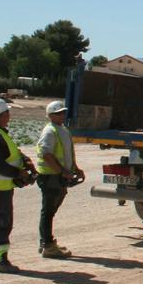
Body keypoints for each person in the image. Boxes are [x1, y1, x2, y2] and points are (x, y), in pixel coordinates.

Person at [0, 97, 35, 273]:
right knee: (1, 222)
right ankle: (0, 259)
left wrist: (24, 160)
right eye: (6, 112)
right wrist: (18, 173)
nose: (9, 115)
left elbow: (11, 152)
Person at [35, 100, 83, 258]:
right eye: (59, 113)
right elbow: (46, 155)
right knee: (48, 212)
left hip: (58, 176)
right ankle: (47, 245)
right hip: (50, 177)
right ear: (50, 115)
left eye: (63, 112)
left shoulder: (62, 130)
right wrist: (62, 171)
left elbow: (68, 153)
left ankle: (46, 242)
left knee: (50, 211)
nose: (62, 115)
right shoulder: (50, 131)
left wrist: (75, 168)